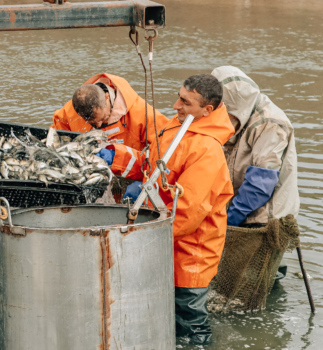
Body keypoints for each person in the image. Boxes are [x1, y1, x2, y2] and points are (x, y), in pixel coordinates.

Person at [99, 74, 235, 345]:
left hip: (191, 253)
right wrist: (118, 155)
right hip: (165, 243)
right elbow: (153, 166)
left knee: (190, 320)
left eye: (185, 101)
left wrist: (138, 237)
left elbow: (187, 212)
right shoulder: (178, 126)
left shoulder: (207, 149)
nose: (175, 105)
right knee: (165, 314)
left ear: (207, 110)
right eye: (179, 96)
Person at [211, 66, 299, 279]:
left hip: (265, 215)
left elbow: (260, 186)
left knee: (254, 275)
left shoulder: (269, 124)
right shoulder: (239, 115)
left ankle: (270, 285)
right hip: (240, 204)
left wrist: (229, 220)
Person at [51, 73, 165, 150]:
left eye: (101, 119)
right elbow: (56, 143)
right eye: (91, 123)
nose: (98, 125)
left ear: (106, 97)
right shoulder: (67, 113)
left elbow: (165, 147)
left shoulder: (144, 114)